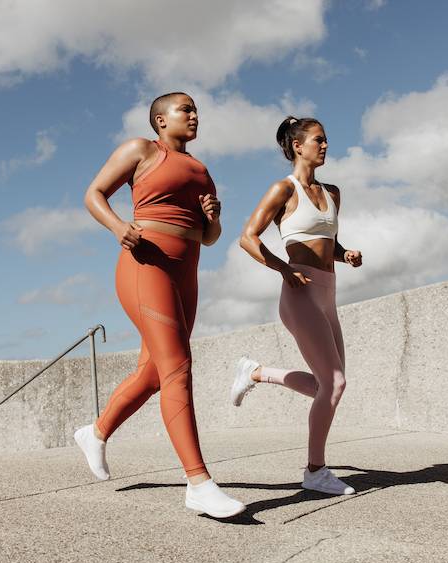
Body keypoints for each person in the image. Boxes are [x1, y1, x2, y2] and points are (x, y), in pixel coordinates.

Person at [74, 92, 245, 518]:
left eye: (196, 110)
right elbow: (94, 193)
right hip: (144, 264)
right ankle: (199, 483)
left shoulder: (202, 171)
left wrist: (214, 218)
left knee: (153, 373)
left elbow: (208, 238)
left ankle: (95, 433)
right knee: (178, 366)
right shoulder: (142, 150)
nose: (193, 115)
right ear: (159, 120)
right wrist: (117, 226)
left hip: (186, 272)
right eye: (184, 109)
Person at [233, 116, 363, 496]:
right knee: (335, 383)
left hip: (328, 292)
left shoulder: (333, 193)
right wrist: (282, 268)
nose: (325, 146)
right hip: (299, 291)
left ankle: (256, 372)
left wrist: (346, 254)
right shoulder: (283, 190)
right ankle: (315, 470)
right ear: (297, 146)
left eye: (326, 140)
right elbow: (248, 238)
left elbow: (328, 243)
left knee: (329, 386)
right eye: (318, 140)